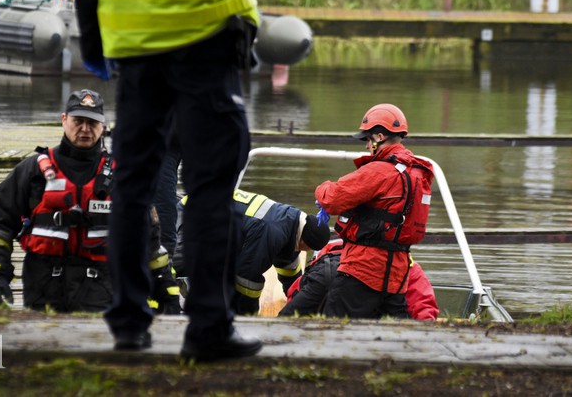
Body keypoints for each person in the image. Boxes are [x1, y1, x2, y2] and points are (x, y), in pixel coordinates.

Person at [74, 0, 300, 360]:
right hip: (205, 51)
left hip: (136, 51)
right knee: (211, 192)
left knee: (132, 188)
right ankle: (207, 328)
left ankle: (129, 322)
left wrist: (92, 37)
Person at [0, 89, 179, 314]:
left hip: (102, 297)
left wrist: (166, 291)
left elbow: (150, 243)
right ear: (64, 120)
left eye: (92, 123)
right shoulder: (32, 172)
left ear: (103, 127)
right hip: (43, 296)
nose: (85, 129)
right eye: (78, 121)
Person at [314, 103, 435, 319]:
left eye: (368, 139)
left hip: (362, 270)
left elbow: (332, 199)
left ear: (379, 136)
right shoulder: (418, 172)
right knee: (396, 337)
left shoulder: (379, 171)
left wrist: (320, 189)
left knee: (333, 330)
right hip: (396, 277)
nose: (366, 146)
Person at [172, 189, 331, 315]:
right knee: (181, 266)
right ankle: (166, 302)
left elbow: (291, 276)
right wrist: (249, 317)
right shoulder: (272, 230)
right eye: (308, 249)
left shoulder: (292, 225)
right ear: (304, 241)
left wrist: (301, 304)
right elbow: (247, 279)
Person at [279, 238, 439, 321]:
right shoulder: (403, 262)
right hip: (371, 307)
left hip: (327, 281)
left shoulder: (328, 255)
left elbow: (296, 292)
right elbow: (424, 305)